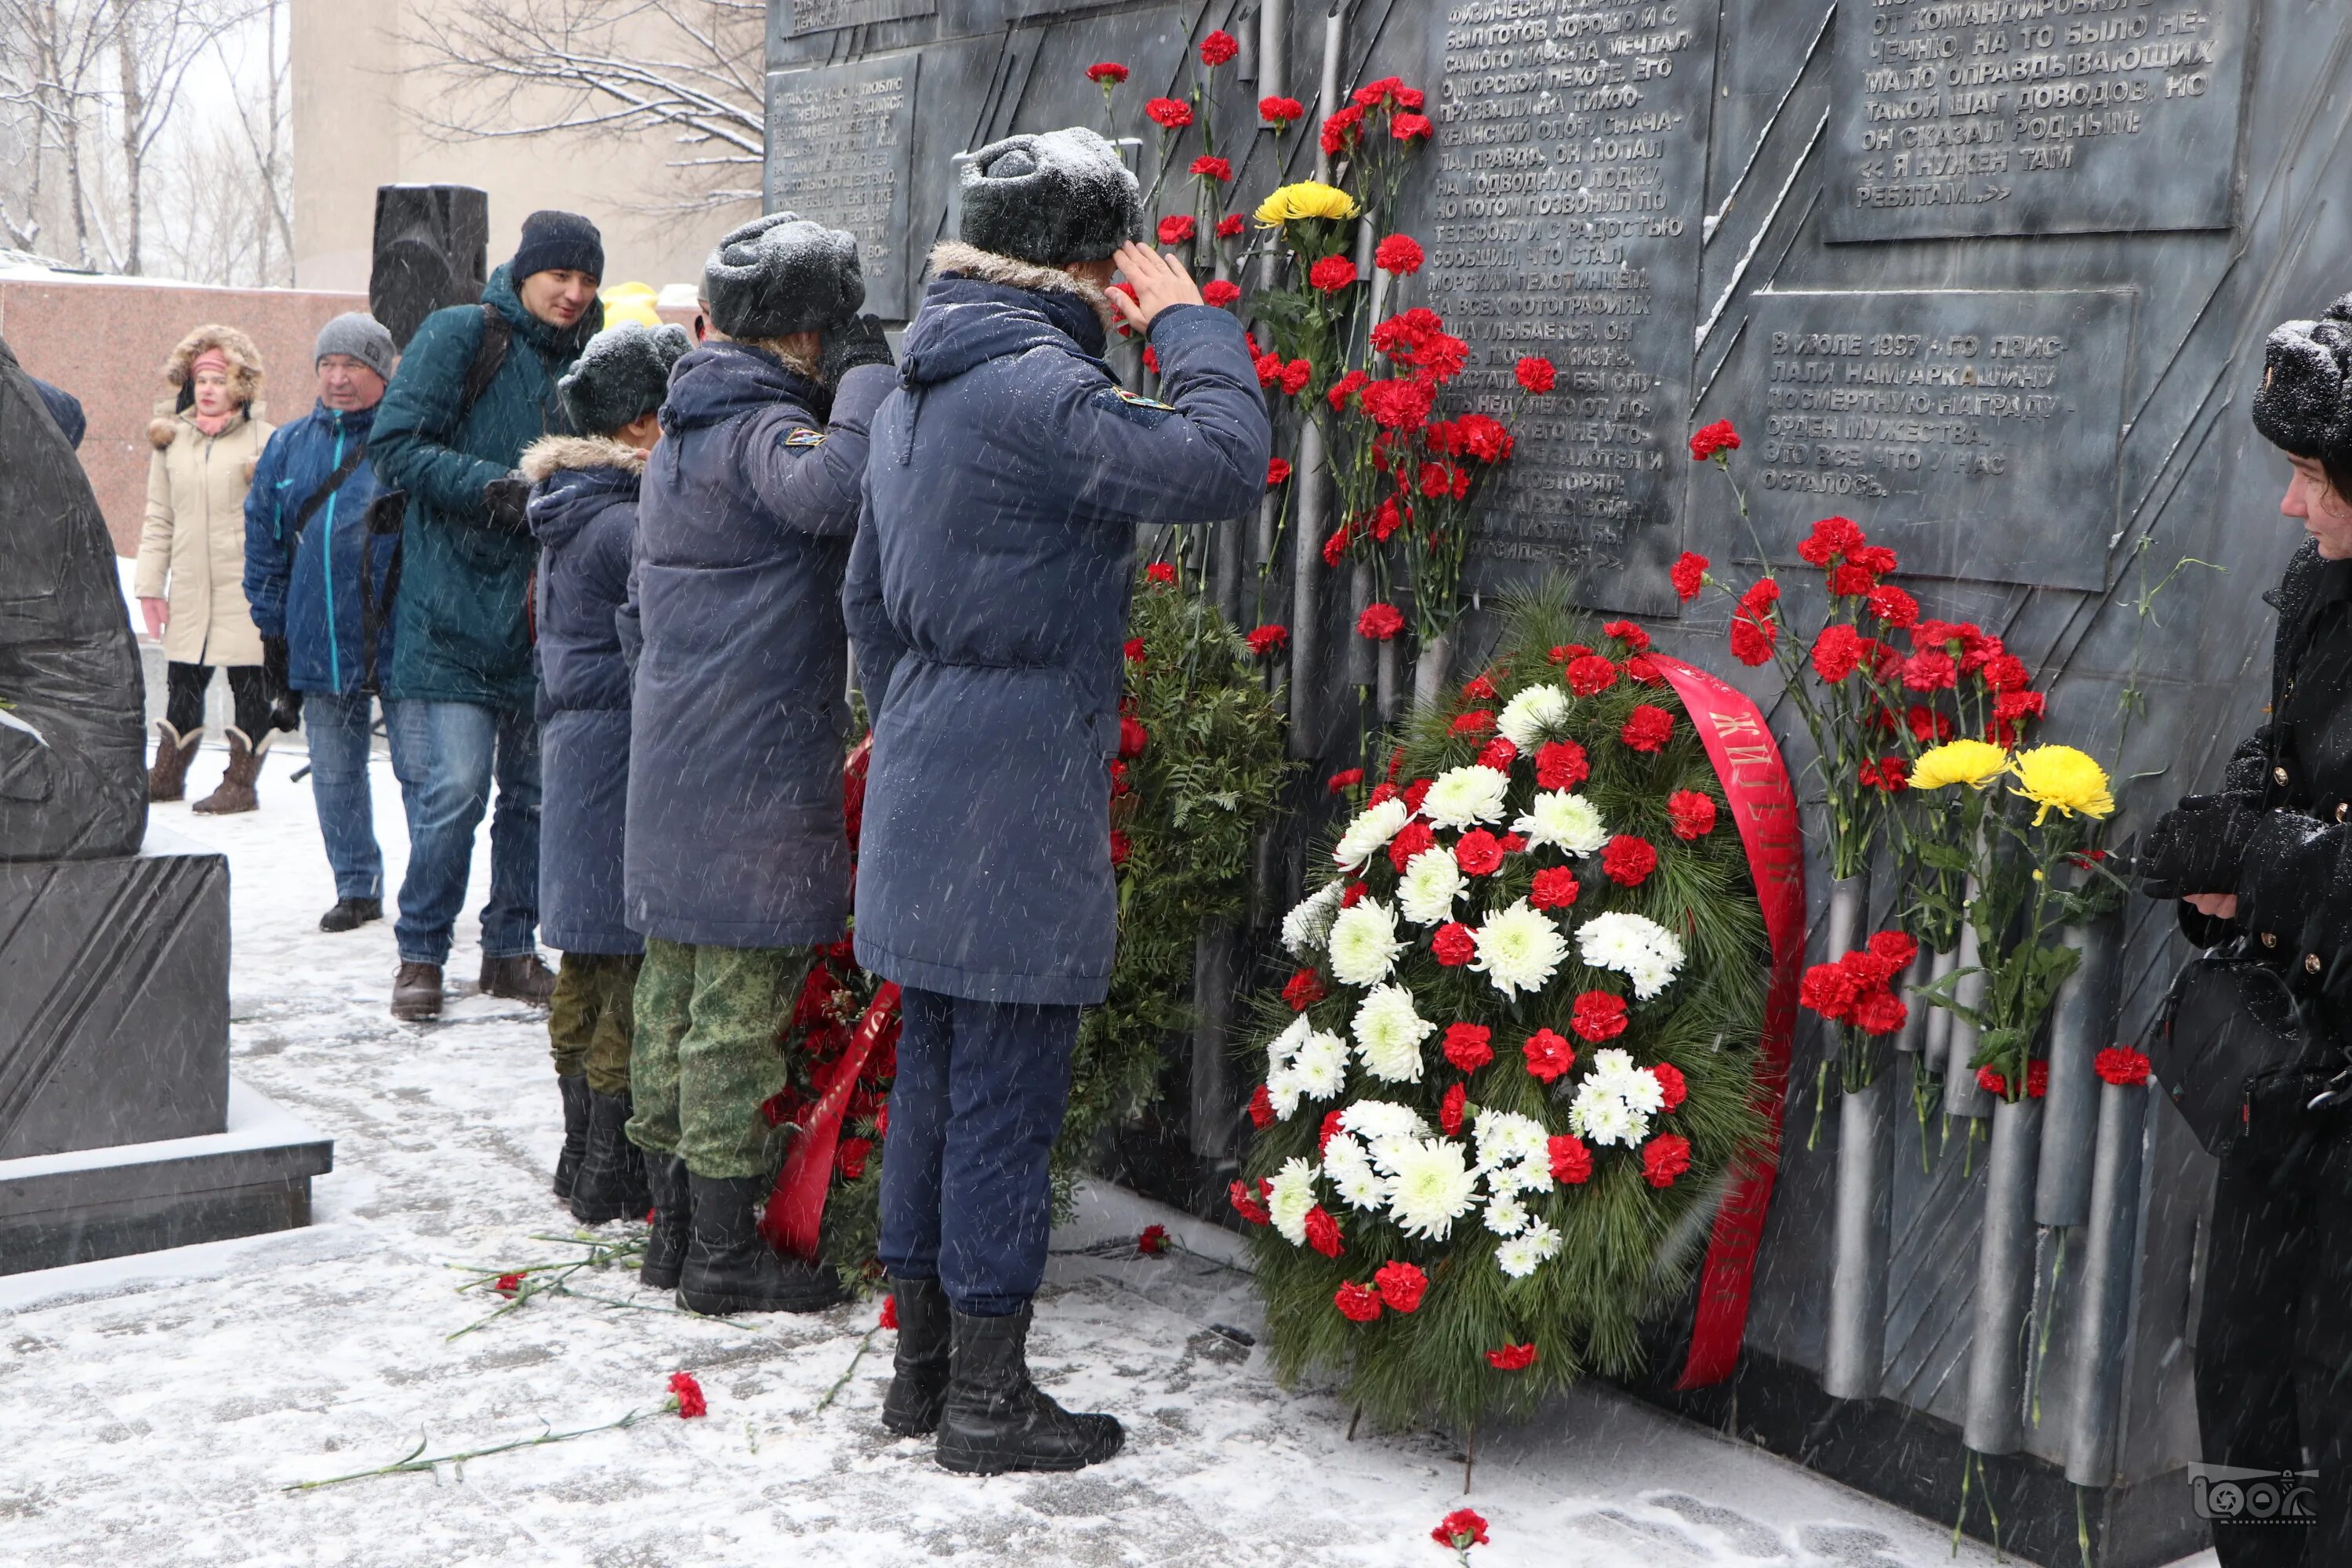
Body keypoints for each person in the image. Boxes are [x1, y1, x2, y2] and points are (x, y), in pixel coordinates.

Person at [844, 128, 1269, 1475]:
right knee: (1005, 1099)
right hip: (1013, 780)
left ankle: (921, 1378)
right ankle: (984, 1403)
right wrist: (1195, 325)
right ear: (1089, 264)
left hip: (927, 761)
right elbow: (1217, 464)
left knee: (937, 1076)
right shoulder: (1033, 386)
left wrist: (922, 718)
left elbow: (866, 601)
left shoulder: (918, 384)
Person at [623, 213, 893, 1312]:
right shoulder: (752, 429)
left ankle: (673, 1233)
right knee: (733, 1017)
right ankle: (724, 1261)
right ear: (807, 340)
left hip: (677, 768)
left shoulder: (680, 434)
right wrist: (873, 389)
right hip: (746, 776)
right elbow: (837, 493)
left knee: (672, 1004)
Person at [2140, 294, 2352, 1568]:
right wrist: (2222, 844)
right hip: (2290, 1092)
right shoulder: (2321, 587)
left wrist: (2266, 864)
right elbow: (2286, 764)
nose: (2292, 506)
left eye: (2315, 478)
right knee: (2244, 1390)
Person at [369, 210, 605, 1022]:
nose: (573, 294)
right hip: (453, 609)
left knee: (536, 795)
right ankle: (421, 951)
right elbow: (395, 443)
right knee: (457, 790)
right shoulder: (464, 334)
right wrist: (494, 489)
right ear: (525, 270)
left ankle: (511, 947)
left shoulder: (595, 357)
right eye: (559, 276)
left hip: (552, 615)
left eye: (586, 279)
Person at [521, 319, 690, 1225]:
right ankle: (609, 1167)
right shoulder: (627, 518)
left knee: (585, 963)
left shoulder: (571, 503)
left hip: (576, 746)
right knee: (623, 966)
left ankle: (579, 1154)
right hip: (621, 744)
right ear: (637, 426)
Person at [242, 313, 399, 932]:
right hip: (317, 641)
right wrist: (272, 629)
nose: (338, 378)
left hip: (398, 643)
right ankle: (356, 886)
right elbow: (264, 540)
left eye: (354, 365)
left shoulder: (403, 442)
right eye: (328, 365)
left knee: (427, 778)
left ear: (382, 373)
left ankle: (431, 895)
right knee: (335, 773)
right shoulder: (286, 444)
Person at [136, 325, 277, 813]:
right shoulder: (172, 442)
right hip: (193, 588)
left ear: (240, 385)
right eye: (201, 380)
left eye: (219, 379)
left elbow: (281, 522)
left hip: (247, 589)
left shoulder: (267, 441)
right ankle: (168, 775)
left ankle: (240, 783)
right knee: (183, 682)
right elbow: (160, 517)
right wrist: (151, 586)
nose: (209, 389)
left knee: (248, 684)